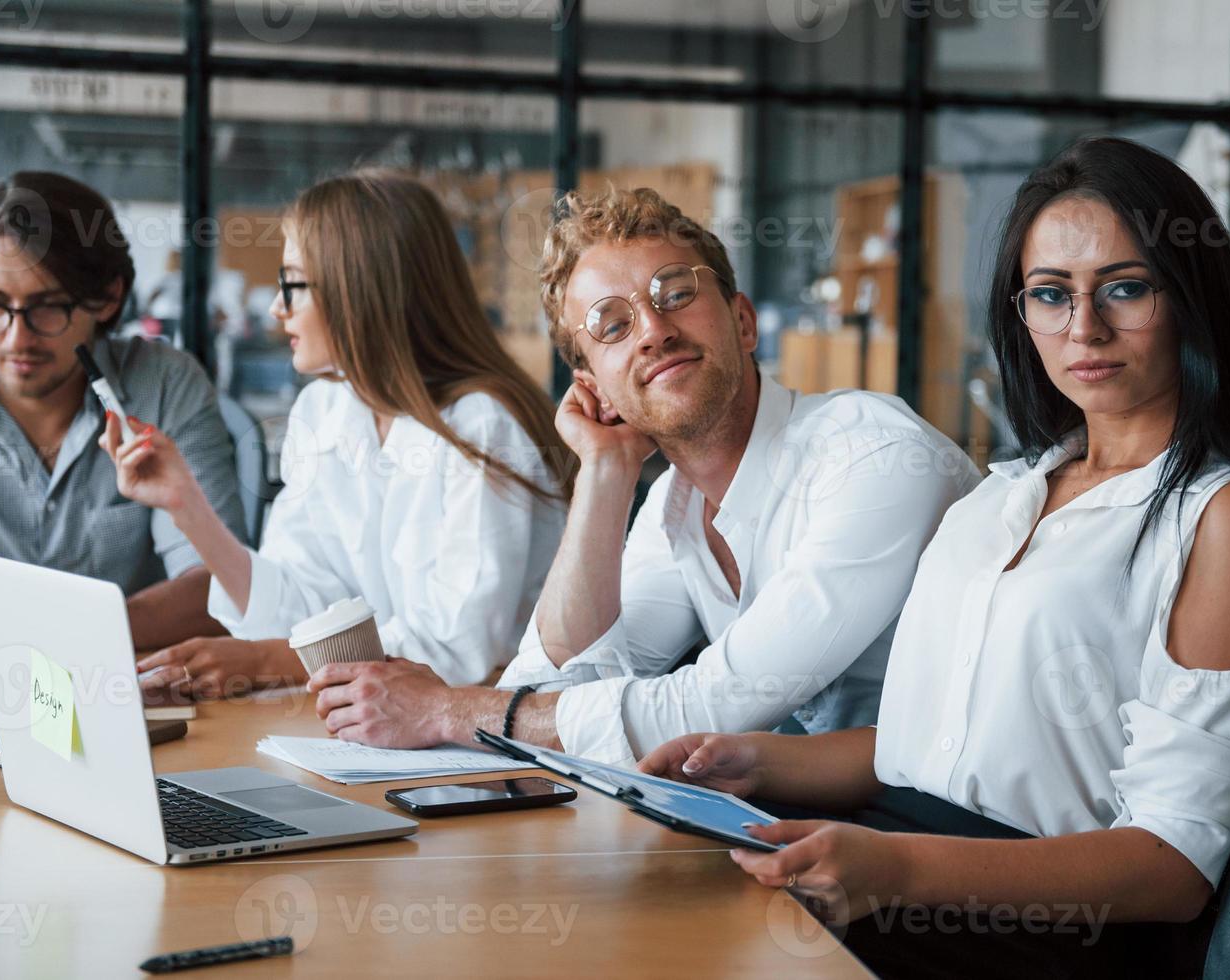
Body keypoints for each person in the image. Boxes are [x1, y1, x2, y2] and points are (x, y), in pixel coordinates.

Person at [639, 137, 1230, 977]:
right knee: (644, 884)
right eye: (1050, 294)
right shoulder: (1003, 496)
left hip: (1048, 927)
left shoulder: (1227, 512)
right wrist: (751, 758)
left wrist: (895, 869)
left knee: (692, 946)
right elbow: (919, 752)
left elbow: (1173, 866)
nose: (1084, 326)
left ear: (1191, 297)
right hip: (906, 850)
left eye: (1124, 287)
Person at [302, 185, 977, 759]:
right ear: (591, 385)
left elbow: (718, 703)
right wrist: (604, 469)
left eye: (676, 293)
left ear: (742, 322)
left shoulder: (869, 455)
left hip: (967, 839)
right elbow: (555, 681)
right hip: (826, 829)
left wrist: (450, 711)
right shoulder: (675, 510)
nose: (653, 329)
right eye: (611, 325)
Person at [101, 169, 571, 696]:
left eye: (293, 286)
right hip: (377, 724)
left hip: (487, 737)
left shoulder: (482, 426)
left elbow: (457, 647)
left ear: (362, 290)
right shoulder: (325, 409)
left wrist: (265, 662)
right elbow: (299, 610)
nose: (278, 309)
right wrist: (185, 504)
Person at [0, 171, 245, 654]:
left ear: (108, 298)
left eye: (47, 308)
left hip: (125, 688)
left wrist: (45, 632)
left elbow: (218, 589)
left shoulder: (164, 386)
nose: (16, 339)